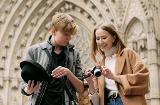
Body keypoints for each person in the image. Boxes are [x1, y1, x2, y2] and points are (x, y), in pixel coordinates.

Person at [21, 12, 84, 105]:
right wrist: (29, 90)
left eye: (71, 34)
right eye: (66, 34)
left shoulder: (74, 54)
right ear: (54, 31)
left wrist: (68, 73)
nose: (69, 38)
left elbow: (80, 89)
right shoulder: (33, 51)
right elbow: (24, 86)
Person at [85, 22, 149, 105]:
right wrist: (90, 82)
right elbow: (97, 102)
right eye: (97, 39)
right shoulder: (100, 65)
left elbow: (143, 78)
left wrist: (114, 77)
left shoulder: (128, 53)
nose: (100, 42)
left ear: (113, 37)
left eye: (104, 38)